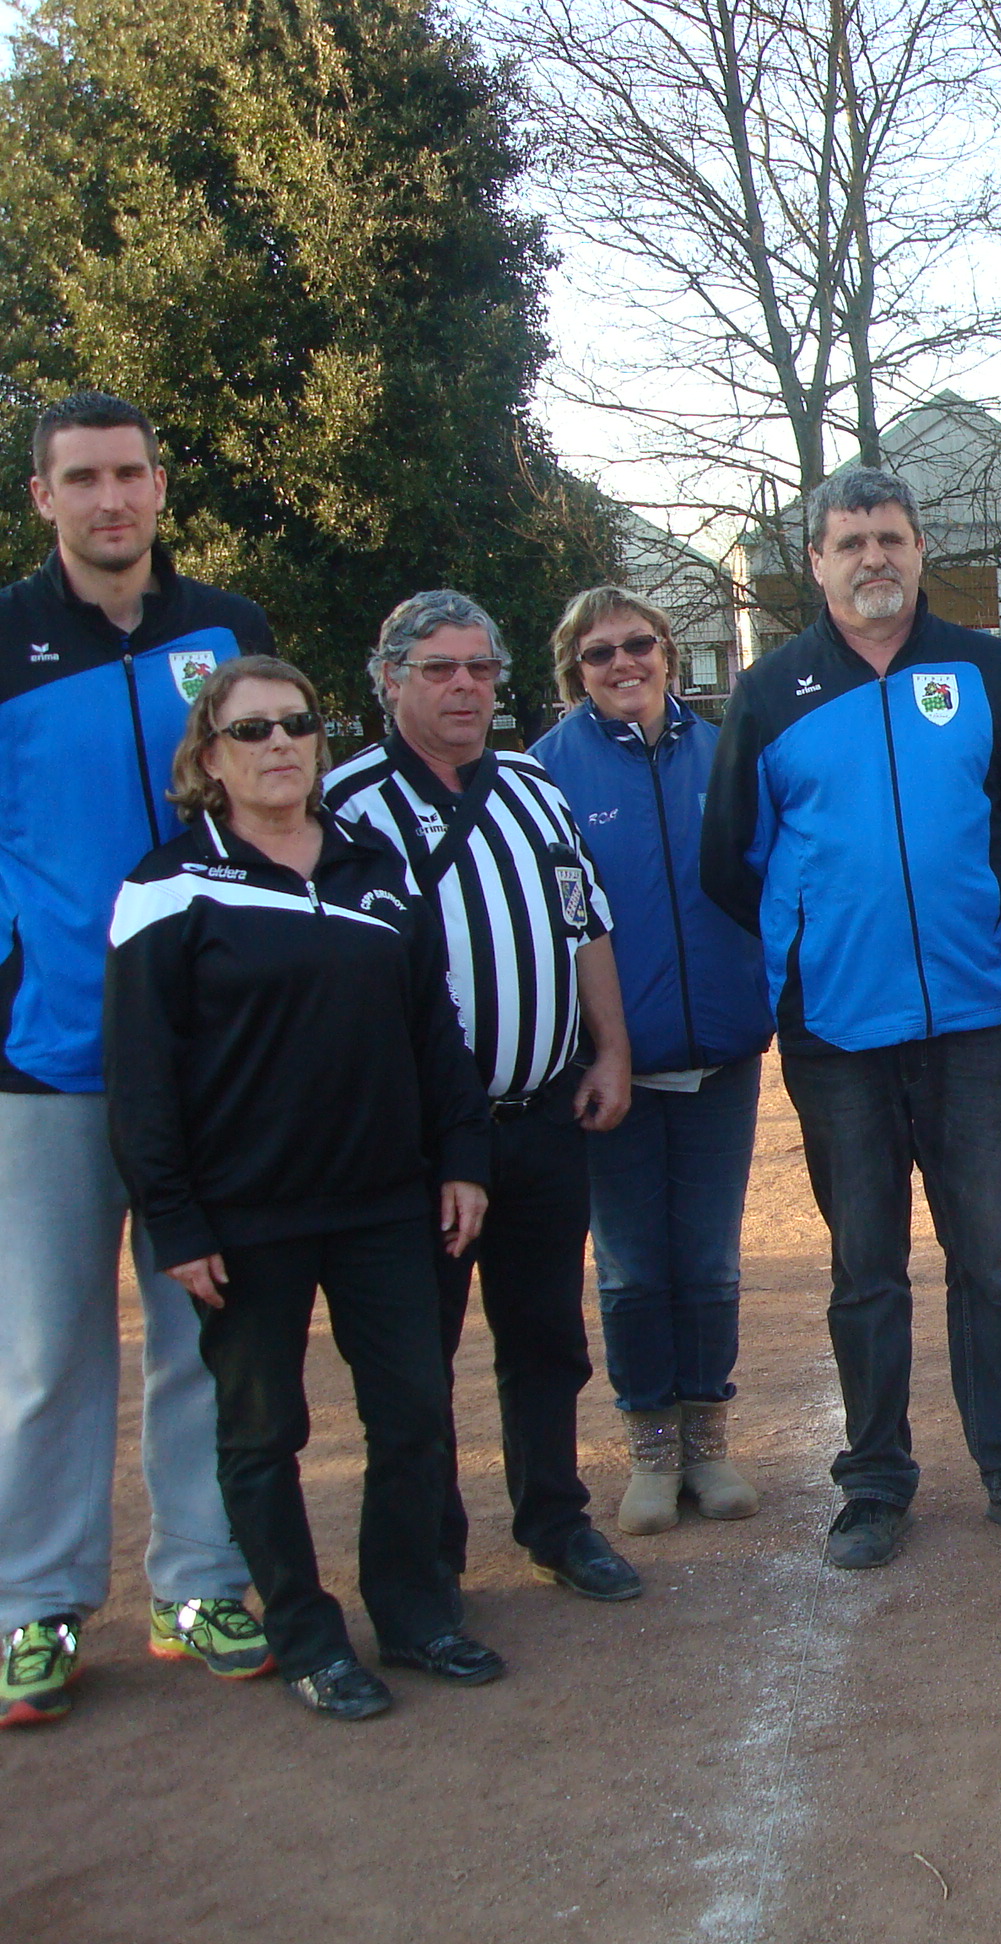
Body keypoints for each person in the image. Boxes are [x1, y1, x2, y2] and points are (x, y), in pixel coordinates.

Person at [702, 466, 1001, 1568]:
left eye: (891, 538)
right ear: (815, 562)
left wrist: (974, 918)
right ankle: (874, 1485)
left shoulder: (985, 668)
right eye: (849, 543)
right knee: (865, 1270)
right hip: (836, 1036)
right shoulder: (771, 692)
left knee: (993, 1261)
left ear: (921, 550)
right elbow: (730, 860)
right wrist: (812, 940)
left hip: (973, 1022)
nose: (873, 558)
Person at [105, 657, 498, 1721]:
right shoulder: (168, 886)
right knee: (262, 1435)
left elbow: (434, 1034)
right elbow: (140, 1078)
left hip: (383, 1204)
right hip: (247, 1219)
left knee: (414, 1415)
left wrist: (463, 1155)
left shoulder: (375, 871)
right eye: (252, 731)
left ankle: (416, 1615)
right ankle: (308, 1637)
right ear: (208, 759)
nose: (279, 745)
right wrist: (175, 1218)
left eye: (298, 724)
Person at [0, 391, 267, 1730]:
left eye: (132, 476)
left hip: (204, 1057)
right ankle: (32, 1605)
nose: (112, 500)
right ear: (42, 497)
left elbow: (271, 815)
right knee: (46, 1350)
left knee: (200, 1333)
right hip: (41, 1057)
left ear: (162, 488)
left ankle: (200, 1582)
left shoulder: (226, 633)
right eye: (83, 479)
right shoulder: (3, 642)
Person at [325, 591, 644, 1606]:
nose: (464, 687)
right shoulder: (345, 806)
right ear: (390, 680)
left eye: (480, 668)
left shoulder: (532, 790)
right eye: (438, 669)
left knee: (546, 1337)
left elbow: (583, 922)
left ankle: (556, 1521)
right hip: (416, 1143)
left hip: (543, 1114)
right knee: (417, 1356)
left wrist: (612, 1052)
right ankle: (430, 1552)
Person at [531, 590, 773, 1537]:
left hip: (721, 1057)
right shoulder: (544, 775)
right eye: (598, 655)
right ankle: (651, 1449)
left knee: (708, 1262)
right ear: (573, 671)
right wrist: (593, 1049)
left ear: (671, 653)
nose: (623, 663)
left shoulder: (729, 753)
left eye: (639, 645)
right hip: (608, 1072)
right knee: (632, 1269)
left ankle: (708, 1444)